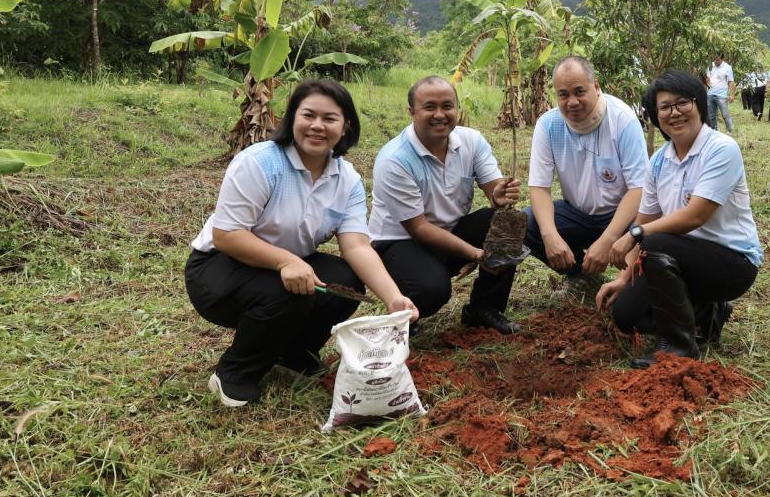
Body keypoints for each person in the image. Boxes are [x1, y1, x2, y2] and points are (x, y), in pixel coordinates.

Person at [185, 79, 418, 408]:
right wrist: (285, 262)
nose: (318, 126)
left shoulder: (346, 179)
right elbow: (228, 235)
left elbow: (357, 247)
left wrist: (393, 298)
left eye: (330, 118)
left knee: (345, 281)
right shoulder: (260, 163)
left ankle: (294, 354)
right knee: (289, 290)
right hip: (218, 268)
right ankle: (235, 372)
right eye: (308, 115)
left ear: (346, 125)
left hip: (289, 267)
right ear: (292, 118)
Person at [595, 70, 762, 368]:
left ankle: (680, 347)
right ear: (656, 116)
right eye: (664, 107)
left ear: (699, 104)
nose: (674, 113)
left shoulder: (721, 149)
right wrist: (623, 278)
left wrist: (635, 234)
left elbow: (694, 216)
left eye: (682, 102)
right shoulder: (659, 160)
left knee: (655, 240)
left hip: (732, 264)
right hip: (678, 260)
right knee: (625, 315)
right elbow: (647, 216)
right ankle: (707, 315)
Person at [369, 76, 522, 334]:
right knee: (431, 290)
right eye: (430, 107)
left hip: (450, 230)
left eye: (447, 106)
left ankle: (483, 308)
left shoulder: (471, 141)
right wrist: (474, 253)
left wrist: (498, 195)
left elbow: (494, 191)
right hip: (400, 242)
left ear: (457, 109)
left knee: (508, 223)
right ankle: (407, 314)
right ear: (412, 112)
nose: (440, 114)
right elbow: (419, 229)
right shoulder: (395, 160)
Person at [523, 56, 649, 301]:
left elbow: (638, 189)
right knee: (529, 222)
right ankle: (581, 275)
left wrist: (608, 240)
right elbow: (539, 187)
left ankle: (631, 283)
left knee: (653, 228)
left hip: (621, 216)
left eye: (579, 91)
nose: (572, 102)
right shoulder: (548, 125)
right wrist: (549, 235)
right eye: (563, 94)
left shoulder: (622, 120)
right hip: (578, 215)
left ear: (596, 86)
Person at [705, 54, 735, 133]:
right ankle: (713, 132)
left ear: (722, 59)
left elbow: (731, 81)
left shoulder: (727, 67)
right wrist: (708, 84)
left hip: (721, 95)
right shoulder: (710, 66)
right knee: (711, 116)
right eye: (714, 60)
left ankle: (730, 130)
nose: (715, 62)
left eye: (718, 60)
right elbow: (707, 78)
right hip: (710, 94)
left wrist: (732, 95)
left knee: (725, 114)